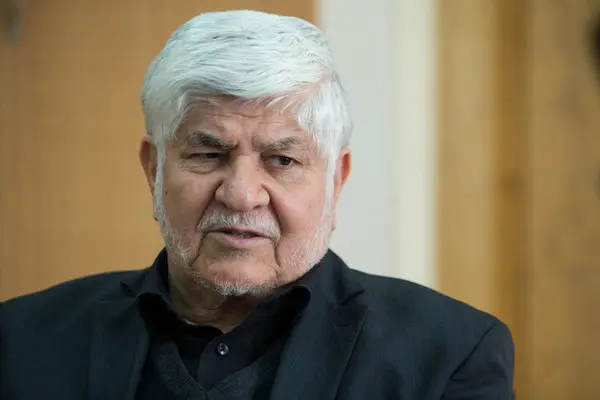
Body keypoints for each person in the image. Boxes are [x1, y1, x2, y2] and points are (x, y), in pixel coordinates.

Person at [0, 10, 514, 400]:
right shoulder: (19, 341)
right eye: (208, 154)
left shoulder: (449, 354)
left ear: (335, 181)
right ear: (153, 169)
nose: (242, 194)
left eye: (282, 160)